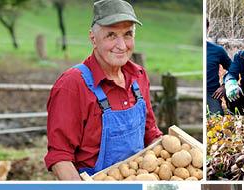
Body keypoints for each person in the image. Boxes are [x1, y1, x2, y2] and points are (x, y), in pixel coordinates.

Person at [44, 0, 162, 180]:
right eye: (111, 35)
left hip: (138, 177)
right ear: (93, 38)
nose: (122, 45)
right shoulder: (72, 85)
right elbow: (60, 157)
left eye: (128, 34)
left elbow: (150, 131)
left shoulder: (139, 76)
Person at [206, 19, 232, 115]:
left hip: (211, 93)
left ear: (207, 29)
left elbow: (233, 69)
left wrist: (225, 85)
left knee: (216, 117)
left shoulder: (217, 51)